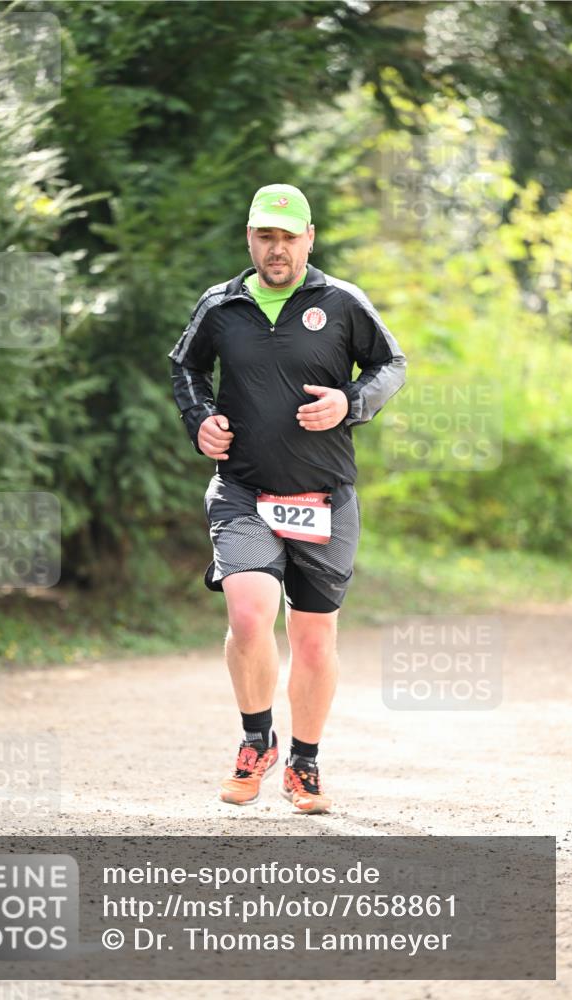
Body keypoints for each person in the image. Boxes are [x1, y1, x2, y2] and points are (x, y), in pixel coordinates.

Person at [168, 183, 406, 814]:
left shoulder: (341, 302)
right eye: (265, 237)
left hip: (324, 496)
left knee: (313, 640)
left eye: (288, 237)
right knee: (249, 614)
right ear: (250, 238)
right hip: (244, 489)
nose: (277, 249)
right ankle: (255, 741)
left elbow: (392, 365)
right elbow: (185, 367)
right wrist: (199, 420)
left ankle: (305, 762)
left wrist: (349, 404)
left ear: (308, 239)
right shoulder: (222, 306)